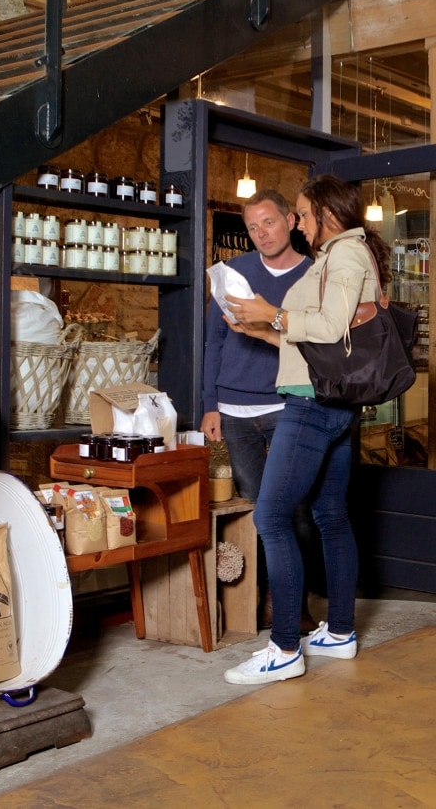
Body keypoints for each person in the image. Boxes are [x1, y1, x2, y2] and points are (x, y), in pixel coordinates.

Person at [222, 174, 391, 685]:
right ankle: (339, 632)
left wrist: (271, 314)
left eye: (301, 212)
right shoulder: (338, 256)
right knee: (330, 515)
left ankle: (284, 649)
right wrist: (259, 327)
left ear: (324, 214)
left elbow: (332, 327)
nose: (299, 221)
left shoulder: (344, 255)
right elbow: (317, 345)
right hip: (327, 396)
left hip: (312, 405)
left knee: (270, 517)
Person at [200, 189, 314, 630]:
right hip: (234, 409)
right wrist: (210, 405)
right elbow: (214, 341)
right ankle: (264, 598)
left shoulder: (312, 275)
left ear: (289, 220)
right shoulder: (230, 272)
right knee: (258, 511)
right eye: (252, 227)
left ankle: (295, 604)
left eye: (269, 222)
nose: (261, 233)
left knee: (294, 508)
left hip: (289, 405)